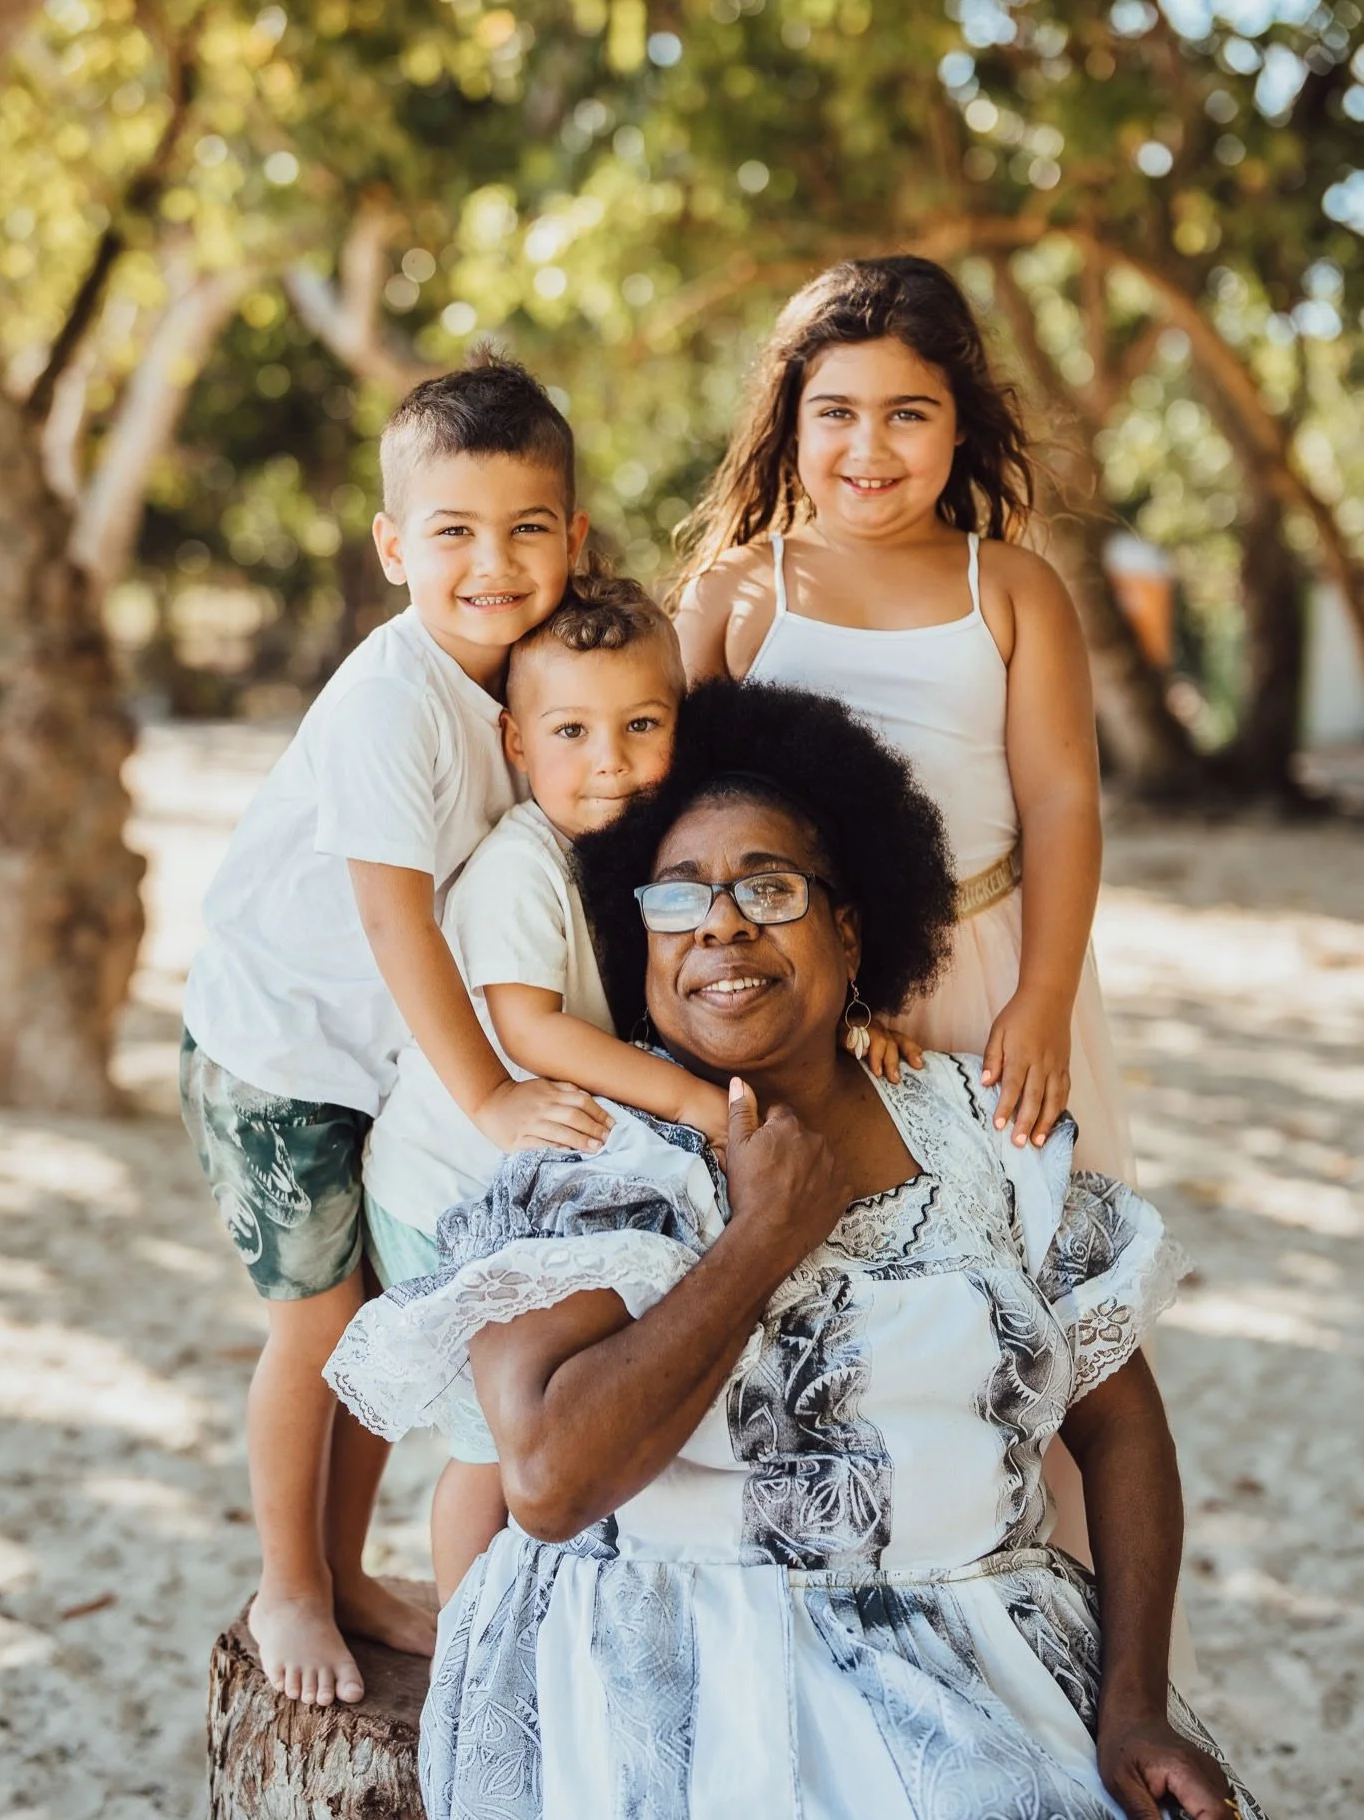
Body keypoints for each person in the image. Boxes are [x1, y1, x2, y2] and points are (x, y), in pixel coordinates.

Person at [325, 680, 1265, 1820]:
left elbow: (1120, 1425)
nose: (721, 924)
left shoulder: (981, 1133)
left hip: (997, 1653)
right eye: (678, 897)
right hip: (677, 1668)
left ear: (849, 927)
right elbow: (548, 1483)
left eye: (768, 888)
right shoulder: (587, 1154)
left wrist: (1134, 1706)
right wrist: (764, 1232)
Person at [178, 352, 610, 1707]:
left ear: (574, 537)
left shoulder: (531, 676)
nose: (493, 562)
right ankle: (289, 1586)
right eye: (453, 531)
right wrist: (489, 1099)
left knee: (377, 1324)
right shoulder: (392, 698)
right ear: (391, 547)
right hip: (277, 1054)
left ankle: (348, 1568)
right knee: (317, 1327)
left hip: (373, 1055)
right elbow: (394, 920)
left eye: (526, 528)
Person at [673, 255, 1130, 1180]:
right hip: (796, 982)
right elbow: (677, 812)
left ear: (959, 423)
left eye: (907, 414)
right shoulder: (734, 596)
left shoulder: (1011, 589)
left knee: (1027, 1223)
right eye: (835, 412)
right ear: (789, 423)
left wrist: (1043, 997)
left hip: (991, 969)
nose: (868, 448)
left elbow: (1060, 803)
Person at [361, 569, 728, 1598]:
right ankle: (466, 1639)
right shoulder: (524, 865)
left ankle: (545, 1607)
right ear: (515, 742)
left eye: (641, 725)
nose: (610, 761)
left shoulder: (640, 846)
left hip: (525, 1193)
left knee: (563, 1415)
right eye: (570, 731)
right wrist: (692, 1104)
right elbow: (530, 1027)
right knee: (491, 1447)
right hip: (446, 1193)